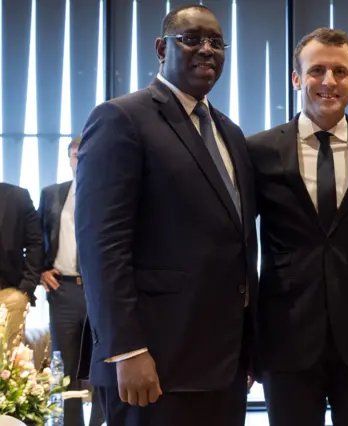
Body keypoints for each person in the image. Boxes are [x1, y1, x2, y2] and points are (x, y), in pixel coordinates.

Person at [75, 4, 258, 426]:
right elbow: (102, 245)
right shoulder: (122, 118)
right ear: (161, 48)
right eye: (191, 39)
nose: (207, 50)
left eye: (216, 42)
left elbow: (237, 242)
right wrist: (127, 349)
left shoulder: (230, 132)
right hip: (152, 362)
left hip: (222, 364)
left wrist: (250, 346)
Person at [247, 28, 348, 426]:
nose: (329, 81)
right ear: (297, 78)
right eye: (317, 70)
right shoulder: (259, 150)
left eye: (340, 71)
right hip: (286, 337)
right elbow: (236, 243)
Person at [38, 136, 104, 426]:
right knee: (66, 366)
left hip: (98, 290)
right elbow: (37, 235)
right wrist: (40, 269)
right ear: (69, 159)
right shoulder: (52, 194)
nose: (80, 160)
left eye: (84, 154)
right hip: (63, 291)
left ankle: (102, 421)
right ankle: (71, 423)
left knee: (101, 362)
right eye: (75, 155)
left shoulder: (108, 193)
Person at [0, 183, 43, 352]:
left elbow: (36, 243)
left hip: (9, 294)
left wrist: (26, 288)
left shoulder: (17, 196)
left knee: (8, 364)